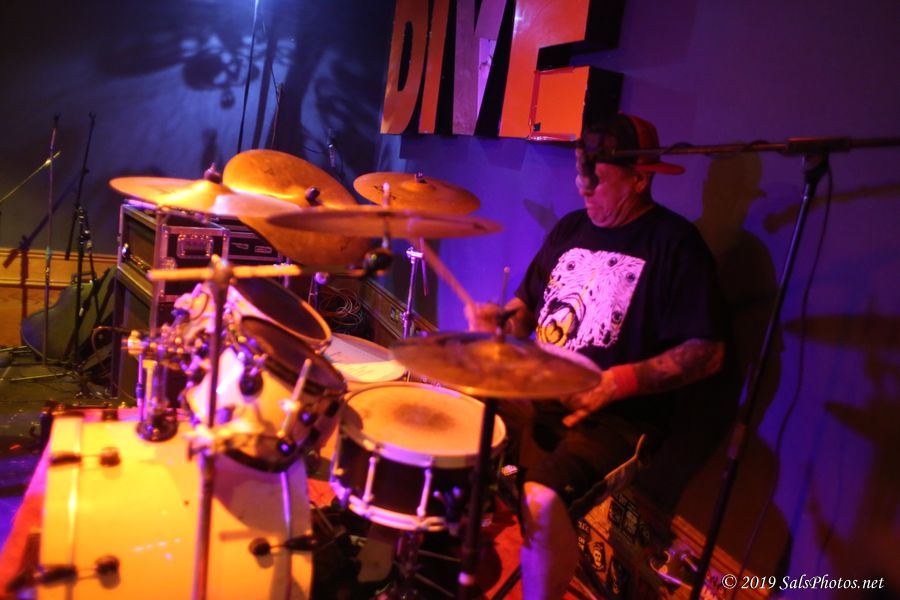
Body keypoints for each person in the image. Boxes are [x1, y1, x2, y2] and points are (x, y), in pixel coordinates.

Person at [466, 113, 728, 599]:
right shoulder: (570, 228)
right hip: (542, 391)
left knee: (542, 501)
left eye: (598, 177)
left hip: (617, 418)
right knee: (458, 414)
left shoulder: (676, 245)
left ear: (640, 178)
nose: (582, 186)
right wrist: (499, 320)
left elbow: (708, 353)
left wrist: (615, 383)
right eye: (580, 171)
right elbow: (525, 311)